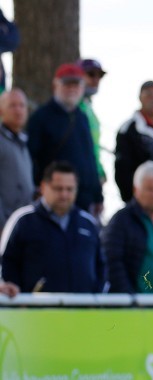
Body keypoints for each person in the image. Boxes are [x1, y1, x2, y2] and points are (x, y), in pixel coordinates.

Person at [0, 161, 105, 293]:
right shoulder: (23, 220)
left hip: (83, 310)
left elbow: (101, 266)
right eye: (58, 188)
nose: (64, 195)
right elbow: (6, 262)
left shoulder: (88, 223)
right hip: (34, 310)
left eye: (69, 189)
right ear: (44, 187)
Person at [26, 63, 103, 216]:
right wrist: (37, 188)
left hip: (84, 199)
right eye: (67, 84)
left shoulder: (82, 117)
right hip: (55, 197)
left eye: (76, 84)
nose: (72, 89)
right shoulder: (41, 117)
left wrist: (98, 195)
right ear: (56, 85)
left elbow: (90, 157)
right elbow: (31, 157)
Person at [102, 161, 153, 294]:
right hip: (136, 309)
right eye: (150, 189)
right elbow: (111, 262)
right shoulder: (121, 221)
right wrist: (128, 298)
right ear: (136, 189)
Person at [114, 81, 153, 203]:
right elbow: (122, 168)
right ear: (140, 97)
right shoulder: (130, 129)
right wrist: (130, 198)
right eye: (149, 95)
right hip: (141, 199)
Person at [0, 88, 34, 231]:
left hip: (21, 225)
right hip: (4, 224)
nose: (18, 110)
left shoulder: (23, 142)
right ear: (1, 110)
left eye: (22, 105)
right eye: (12, 105)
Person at [77, 58, 107, 187]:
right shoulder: (74, 107)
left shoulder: (89, 109)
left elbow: (94, 146)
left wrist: (99, 171)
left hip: (91, 176)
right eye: (91, 74)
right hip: (78, 178)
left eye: (99, 75)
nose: (96, 79)